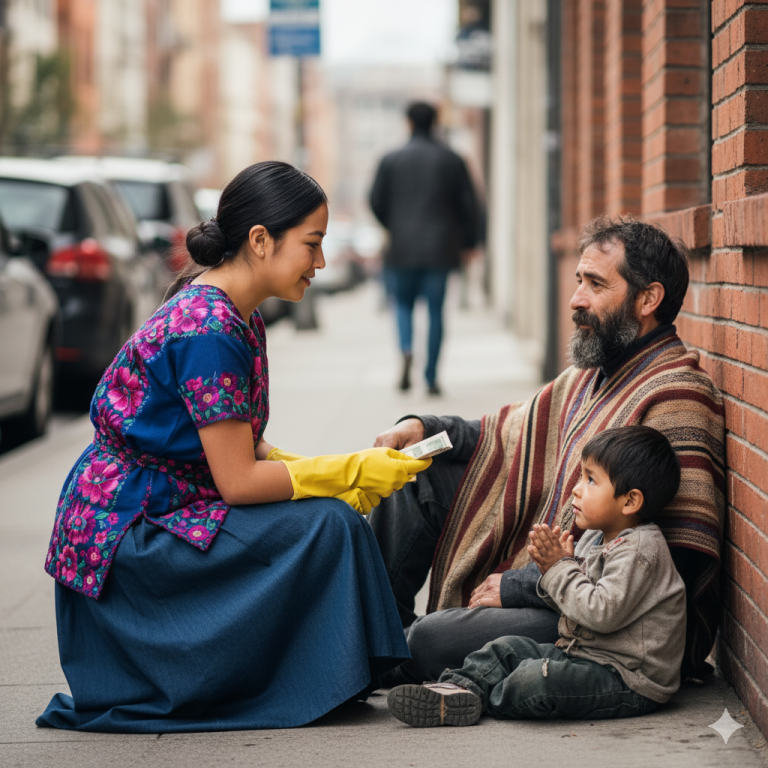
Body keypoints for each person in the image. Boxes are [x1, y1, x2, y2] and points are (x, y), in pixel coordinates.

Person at [36, 161, 431, 733]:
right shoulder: (211, 329)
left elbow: (246, 443)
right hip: (128, 548)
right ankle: (338, 674)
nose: (321, 262)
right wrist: (344, 472)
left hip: (149, 516)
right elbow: (238, 482)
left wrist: (331, 474)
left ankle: (344, 672)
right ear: (261, 240)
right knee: (329, 526)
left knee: (330, 517)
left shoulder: (233, 314)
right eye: (312, 244)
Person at [369, 216, 725, 685]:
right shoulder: (589, 376)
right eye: (579, 281)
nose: (576, 299)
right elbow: (503, 432)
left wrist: (522, 585)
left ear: (648, 299)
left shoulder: (677, 396)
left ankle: (389, 653)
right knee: (411, 469)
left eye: (596, 284)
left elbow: (660, 568)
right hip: (551, 582)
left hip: (602, 623)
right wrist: (424, 428)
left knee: (430, 640)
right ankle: (375, 639)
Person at [387, 426, 686, 727]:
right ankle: (457, 689)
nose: (576, 488)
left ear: (630, 501)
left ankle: (476, 699)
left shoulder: (640, 551)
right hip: (583, 656)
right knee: (505, 648)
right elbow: (572, 600)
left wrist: (561, 568)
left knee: (534, 679)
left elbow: (600, 612)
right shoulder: (596, 537)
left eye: (591, 480)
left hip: (625, 678)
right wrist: (554, 569)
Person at [369, 101, 478, 395]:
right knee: (436, 312)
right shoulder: (452, 159)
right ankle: (430, 376)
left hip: (401, 249)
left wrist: (394, 225)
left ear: (408, 123)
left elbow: (375, 200)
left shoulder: (390, 159)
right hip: (440, 250)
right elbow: (468, 204)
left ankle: (406, 349)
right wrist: (469, 242)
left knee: (402, 306)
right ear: (435, 123)